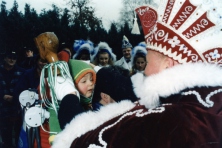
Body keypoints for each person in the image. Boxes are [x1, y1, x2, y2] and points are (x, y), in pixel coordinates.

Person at [52, 1, 222, 148]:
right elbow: (132, 92)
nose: (144, 71)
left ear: (168, 65)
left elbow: (81, 142)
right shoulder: (204, 103)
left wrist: (68, 97)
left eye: (147, 63)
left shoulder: (169, 120)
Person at [0, 50, 25, 148]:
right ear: (5, 58)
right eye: (10, 57)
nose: (12, 60)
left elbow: (24, 88)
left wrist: (15, 97)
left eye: (14, 58)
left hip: (17, 106)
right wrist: (2, 96)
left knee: (19, 131)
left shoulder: (22, 72)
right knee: (5, 133)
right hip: (2, 106)